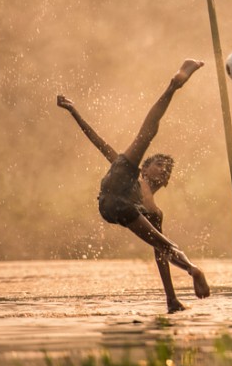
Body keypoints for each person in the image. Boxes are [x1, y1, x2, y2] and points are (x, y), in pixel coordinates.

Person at [57, 59, 210, 313]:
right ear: (146, 168)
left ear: (168, 181)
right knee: (147, 134)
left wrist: (170, 298)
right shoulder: (134, 172)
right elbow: (99, 142)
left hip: (122, 210)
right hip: (116, 186)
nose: (163, 170)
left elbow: (160, 253)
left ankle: (189, 274)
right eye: (159, 164)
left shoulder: (155, 211)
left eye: (167, 170)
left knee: (166, 245)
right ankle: (174, 84)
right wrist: (75, 112)